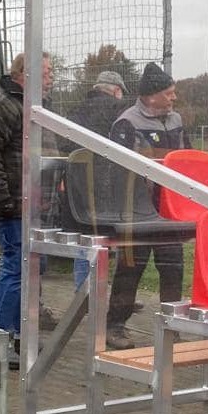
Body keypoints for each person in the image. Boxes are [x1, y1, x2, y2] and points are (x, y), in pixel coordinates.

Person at [0, 50, 53, 366]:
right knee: (16, 267)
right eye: (46, 73)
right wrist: (4, 198)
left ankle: (23, 336)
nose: (51, 78)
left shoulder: (29, 106)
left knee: (34, 268)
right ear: (26, 72)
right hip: (13, 203)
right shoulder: (2, 105)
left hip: (32, 204)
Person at [105, 62, 191, 349]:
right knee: (131, 269)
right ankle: (115, 326)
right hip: (137, 212)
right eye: (169, 93)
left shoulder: (176, 120)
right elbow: (117, 171)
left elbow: (187, 158)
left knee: (172, 268)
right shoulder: (126, 123)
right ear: (151, 95)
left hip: (170, 211)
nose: (173, 98)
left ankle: (172, 326)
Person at [65, 69, 128, 288]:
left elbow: (65, 146)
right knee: (114, 240)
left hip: (79, 186)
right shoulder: (118, 111)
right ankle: (109, 293)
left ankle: (84, 293)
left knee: (85, 239)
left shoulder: (75, 111)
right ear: (117, 90)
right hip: (108, 186)